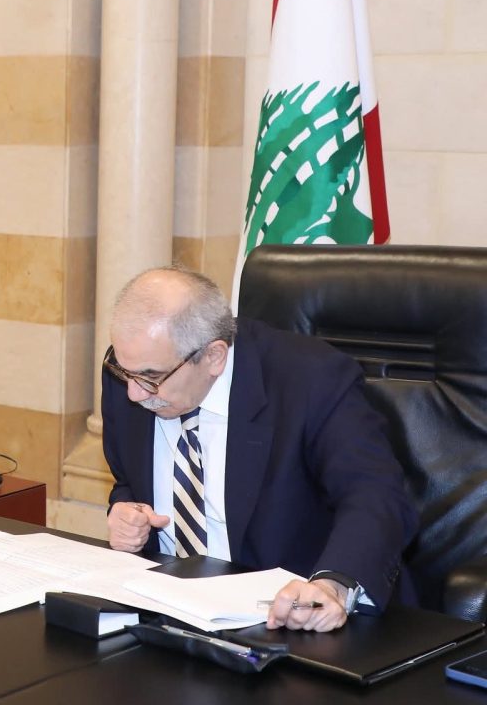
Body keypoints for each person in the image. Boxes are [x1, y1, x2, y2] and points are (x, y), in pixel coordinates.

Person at [102, 266, 416, 633]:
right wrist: (125, 514)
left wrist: (331, 586)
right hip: (167, 610)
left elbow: (375, 493)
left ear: (214, 357)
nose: (133, 393)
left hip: (290, 617)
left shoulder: (311, 379)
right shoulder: (131, 369)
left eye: (151, 378)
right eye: (125, 373)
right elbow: (129, 481)